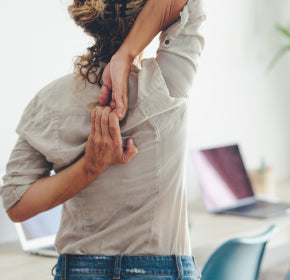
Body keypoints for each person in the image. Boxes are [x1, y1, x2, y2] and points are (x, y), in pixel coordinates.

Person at [0, 0, 205, 278]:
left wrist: (89, 169)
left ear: (90, 25)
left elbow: (15, 203)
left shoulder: (48, 102)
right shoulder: (169, 82)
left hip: (79, 270)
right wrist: (127, 54)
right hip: (161, 270)